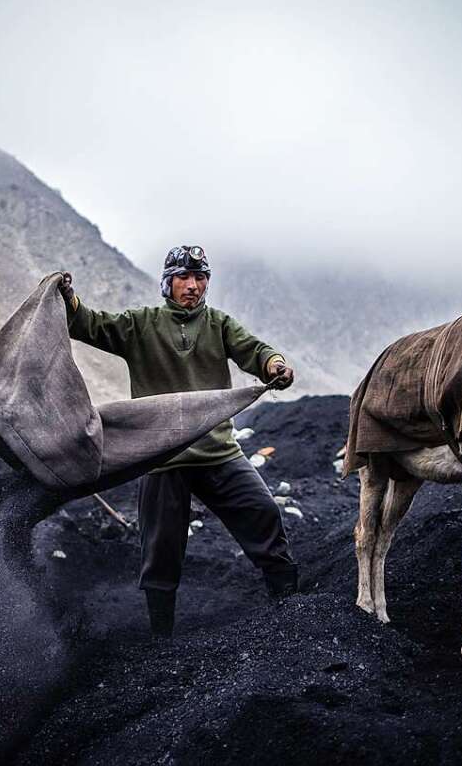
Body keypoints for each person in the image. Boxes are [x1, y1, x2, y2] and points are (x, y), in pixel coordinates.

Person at [58, 245, 299, 637]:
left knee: (264, 513)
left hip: (217, 450)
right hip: (162, 456)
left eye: (200, 277)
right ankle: (162, 640)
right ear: (167, 283)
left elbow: (253, 351)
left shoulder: (219, 324)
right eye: (183, 278)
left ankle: (289, 612)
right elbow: (89, 324)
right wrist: (69, 300)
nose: (193, 286)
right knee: (160, 550)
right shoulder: (141, 325)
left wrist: (274, 364)